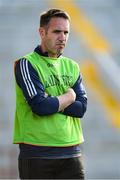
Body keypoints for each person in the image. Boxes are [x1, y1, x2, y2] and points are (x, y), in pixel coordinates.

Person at [13, 8, 87, 179]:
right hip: (37, 153)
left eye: (66, 32)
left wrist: (53, 101)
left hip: (72, 152)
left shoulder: (73, 66)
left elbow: (81, 109)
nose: (62, 37)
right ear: (42, 32)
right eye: (57, 31)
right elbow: (40, 106)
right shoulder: (26, 64)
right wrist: (68, 97)